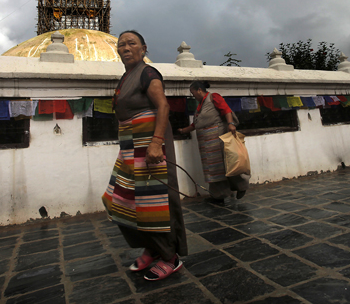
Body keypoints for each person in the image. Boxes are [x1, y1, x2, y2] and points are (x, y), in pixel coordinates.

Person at [102, 30, 187, 281]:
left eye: (132, 43)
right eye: (121, 44)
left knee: (156, 202)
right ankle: (153, 248)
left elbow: (163, 105)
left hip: (150, 142)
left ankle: (170, 257)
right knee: (121, 199)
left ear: (143, 48)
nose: (126, 47)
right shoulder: (126, 77)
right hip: (130, 145)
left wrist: (156, 143)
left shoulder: (148, 73)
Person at [178, 81, 249, 202]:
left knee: (226, 164)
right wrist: (184, 130)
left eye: (193, 92)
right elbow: (196, 124)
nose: (193, 95)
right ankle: (219, 195)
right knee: (212, 169)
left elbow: (226, 110)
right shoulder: (200, 105)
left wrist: (231, 124)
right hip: (205, 142)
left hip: (217, 137)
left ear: (199, 90)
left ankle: (241, 186)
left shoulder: (213, 97)